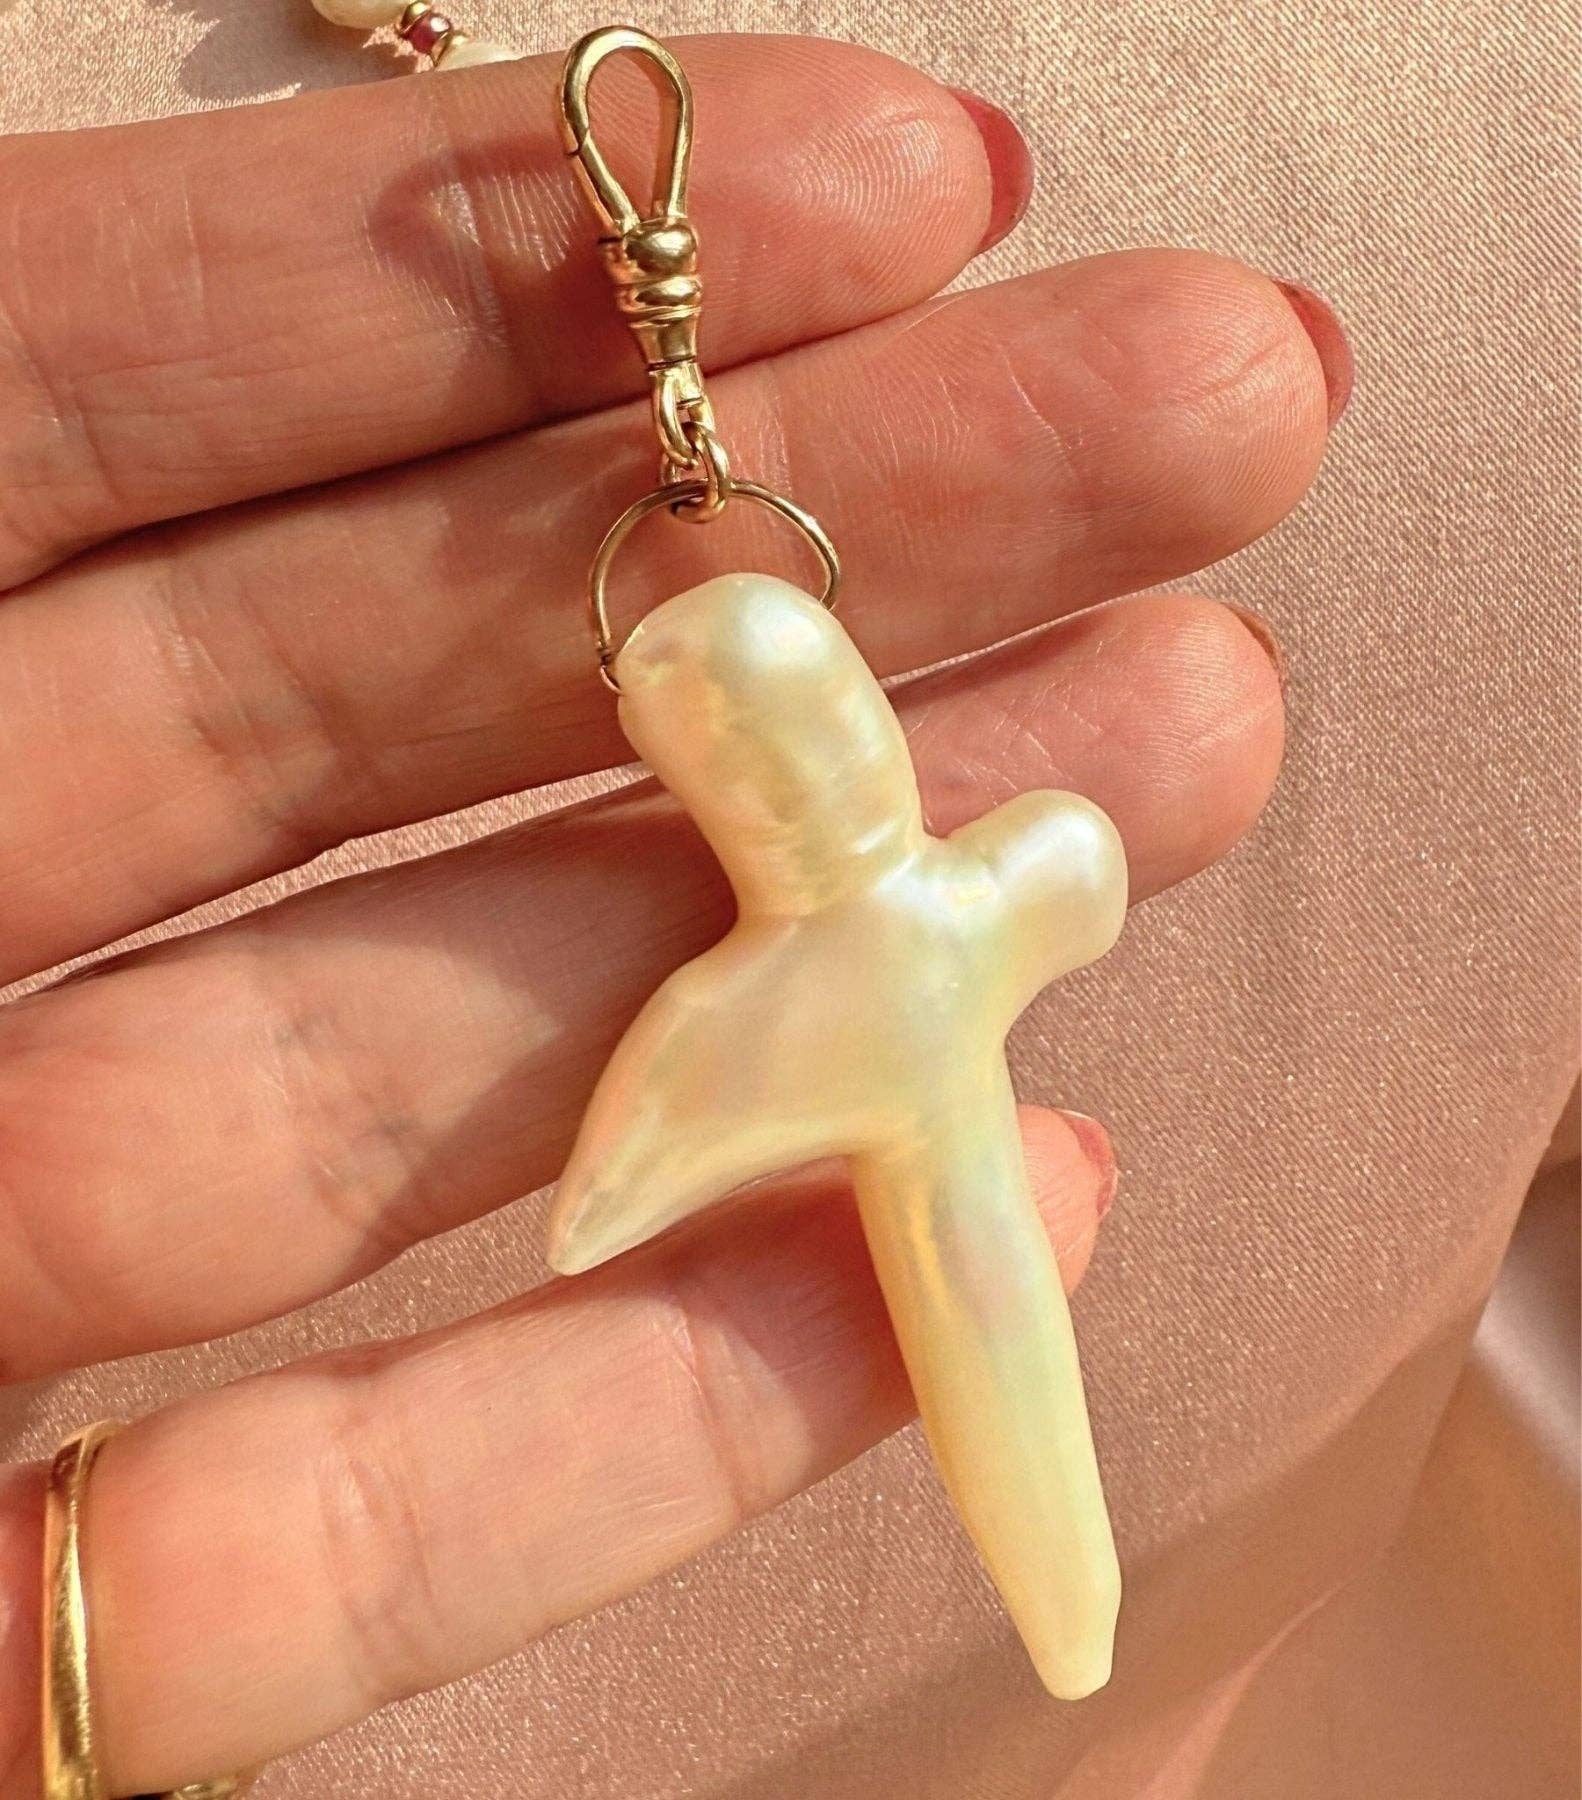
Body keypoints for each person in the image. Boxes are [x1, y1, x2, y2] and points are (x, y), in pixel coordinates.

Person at [0, 35, 1350, 1796]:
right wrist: (620, 1181)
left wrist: (624, 1181)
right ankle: (1073, 1617)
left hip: (950, 1179)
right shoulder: (893, 933)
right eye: (762, 747)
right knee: (1016, 1421)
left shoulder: (965, 895)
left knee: (1025, 1433)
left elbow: (1038, 890)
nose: (813, 763)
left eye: (818, 726)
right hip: (936, 1172)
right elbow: (629, 1167)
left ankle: (1075, 1615)